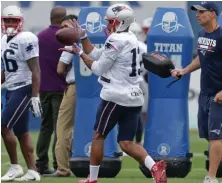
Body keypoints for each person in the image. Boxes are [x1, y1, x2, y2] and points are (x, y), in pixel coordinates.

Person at [60, 4, 167, 183]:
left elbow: (97, 68)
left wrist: (79, 53)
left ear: (121, 22)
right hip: (133, 97)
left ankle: (92, 179)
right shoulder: (131, 37)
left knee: (98, 136)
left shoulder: (116, 39)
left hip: (115, 96)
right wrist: (84, 37)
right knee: (126, 143)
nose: (108, 25)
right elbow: (95, 53)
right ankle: (154, 167)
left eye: (111, 22)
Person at [172, 2, 222, 183]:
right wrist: (184, 71)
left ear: (213, 14)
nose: (197, 15)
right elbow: (201, 58)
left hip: (219, 96)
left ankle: (211, 177)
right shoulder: (201, 35)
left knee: (216, 136)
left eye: (202, 12)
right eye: (196, 12)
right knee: (210, 136)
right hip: (206, 94)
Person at [1, 5, 41, 181]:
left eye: (13, 20)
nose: (10, 23)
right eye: (7, 20)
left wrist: (34, 95)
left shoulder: (26, 38)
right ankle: (33, 171)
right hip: (10, 88)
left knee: (4, 126)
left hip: (23, 88)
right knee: (22, 132)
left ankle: (15, 166)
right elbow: (5, 70)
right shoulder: (3, 39)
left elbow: (36, 69)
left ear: (20, 22)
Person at [44, 14, 77, 177]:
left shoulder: (71, 44)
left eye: (65, 27)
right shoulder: (89, 42)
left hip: (74, 87)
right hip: (95, 89)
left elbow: (60, 69)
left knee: (63, 127)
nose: (62, 31)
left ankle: (63, 168)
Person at [36, 6, 67, 174]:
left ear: (50, 17)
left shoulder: (39, 37)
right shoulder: (64, 37)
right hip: (60, 88)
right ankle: (58, 164)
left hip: (43, 88)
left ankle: (40, 164)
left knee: (45, 127)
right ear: (63, 20)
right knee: (60, 128)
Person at [129, 22, 148, 145]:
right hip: (140, 82)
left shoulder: (122, 45)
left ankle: (126, 141)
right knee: (138, 114)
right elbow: (147, 67)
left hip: (125, 82)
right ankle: (138, 142)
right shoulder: (144, 47)